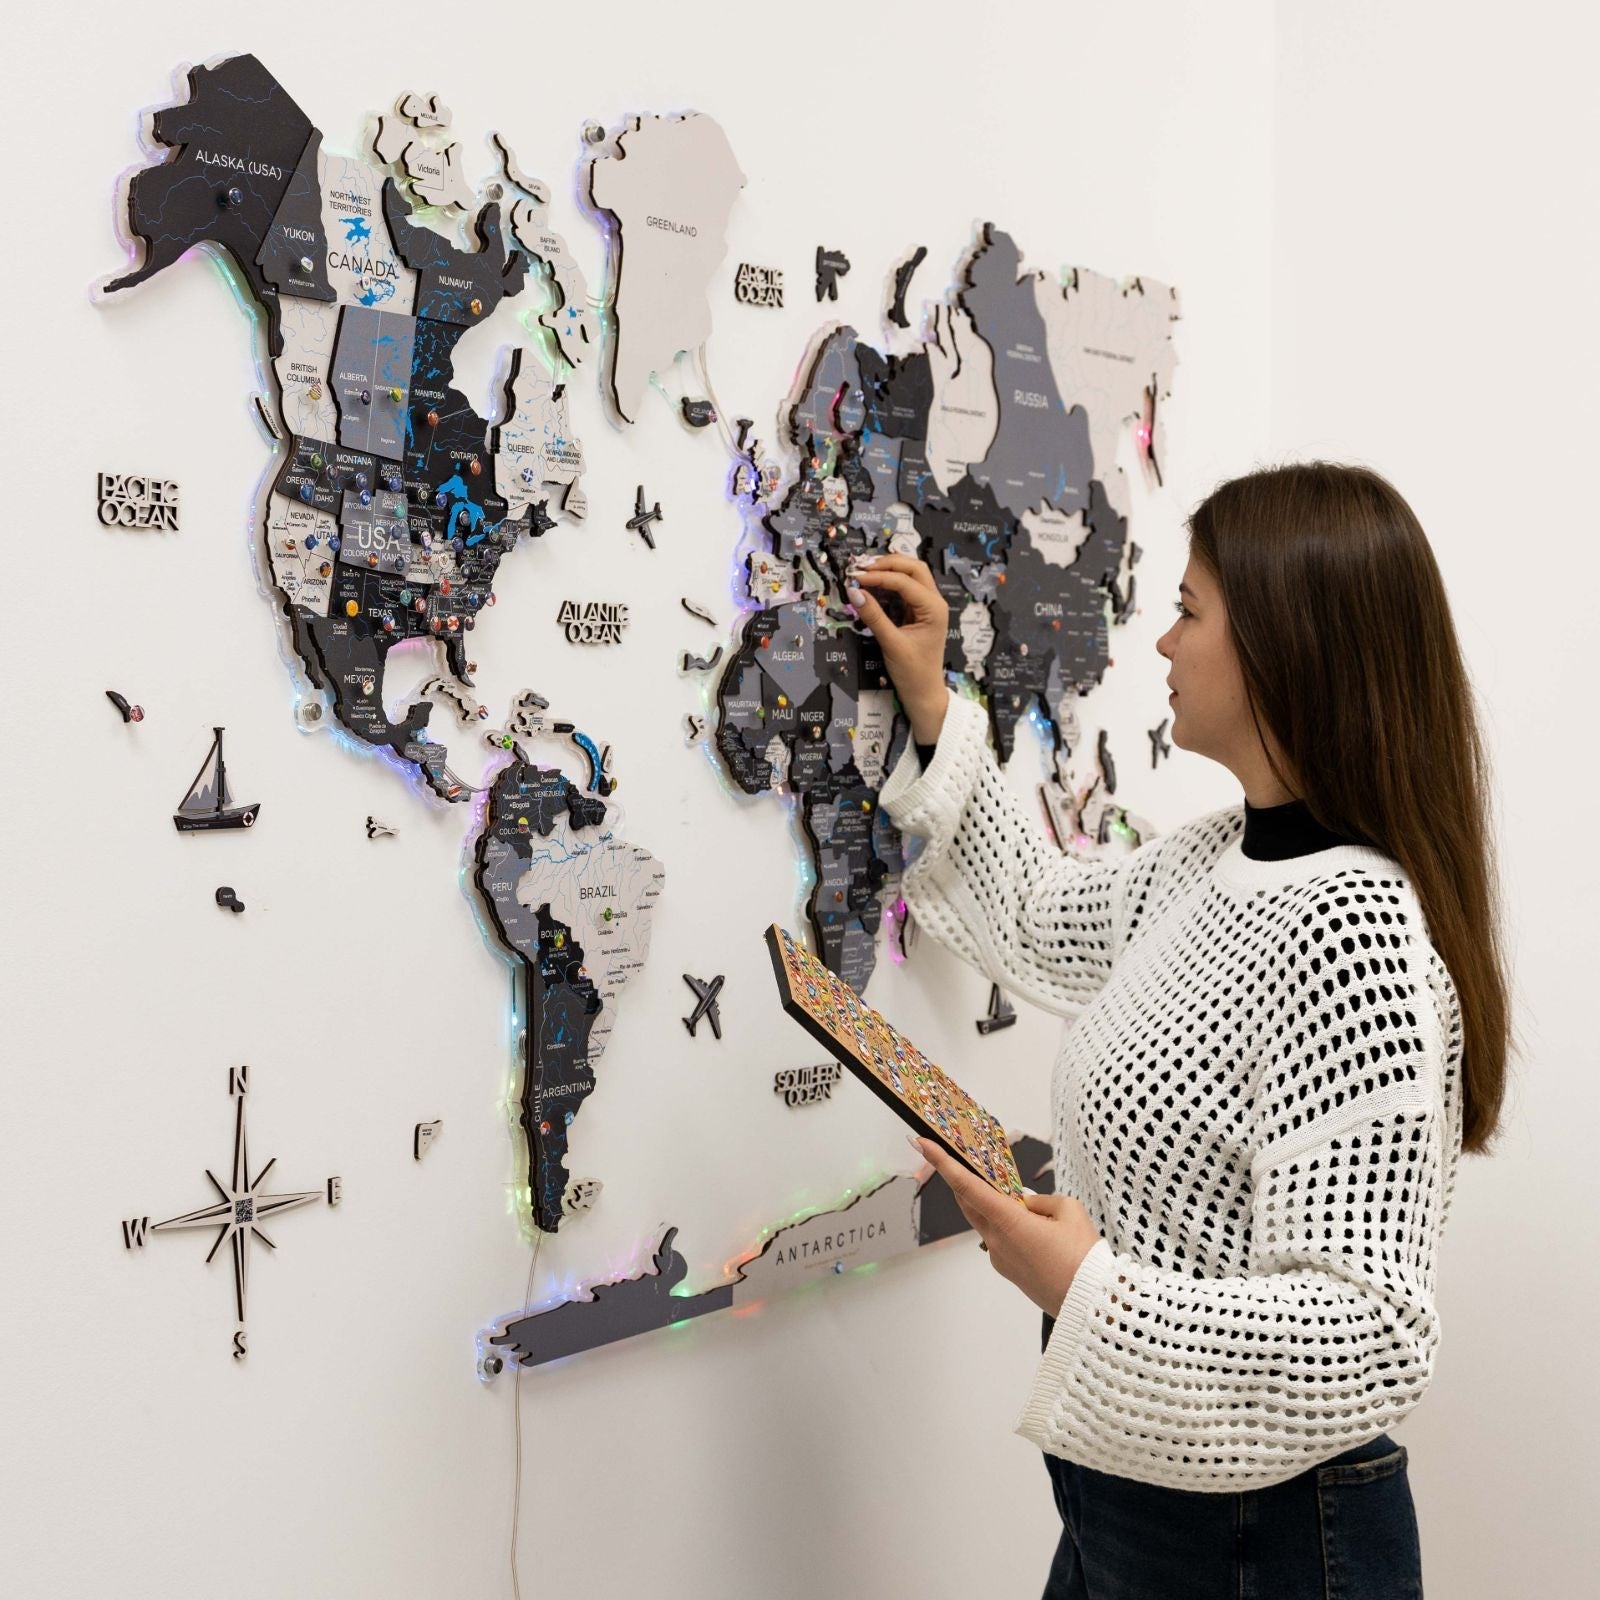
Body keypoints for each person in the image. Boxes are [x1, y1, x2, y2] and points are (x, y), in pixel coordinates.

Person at [848, 462, 1509, 1600]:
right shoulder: (1214, 859)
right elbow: (1042, 918)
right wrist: (933, 704)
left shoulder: (1355, 932)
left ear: (1281, 647)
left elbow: (1368, 1330)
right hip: (1127, 1496)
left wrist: (1085, 1284)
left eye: (1189, 611)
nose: (1160, 644)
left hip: (1263, 1544)